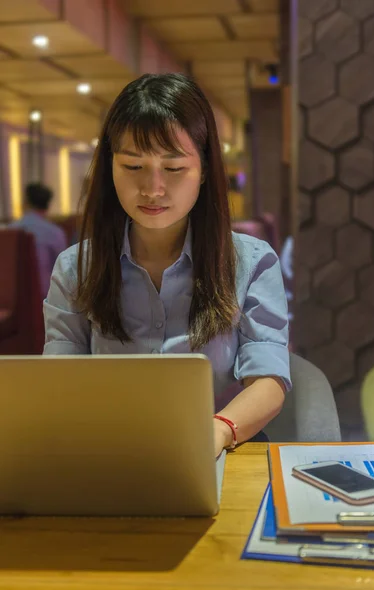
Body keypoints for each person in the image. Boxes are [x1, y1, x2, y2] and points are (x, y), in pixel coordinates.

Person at [43, 73, 291, 457]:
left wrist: (218, 431)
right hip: (105, 452)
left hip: (217, 449)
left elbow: (268, 377)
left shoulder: (251, 262)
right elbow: (58, 381)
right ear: (110, 167)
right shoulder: (76, 268)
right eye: (133, 167)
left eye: (173, 169)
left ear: (205, 170)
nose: (153, 188)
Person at [10, 183, 67, 298]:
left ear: (25, 203)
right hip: (46, 295)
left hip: (13, 295)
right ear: (48, 205)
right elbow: (63, 269)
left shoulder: (10, 230)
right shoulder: (55, 232)